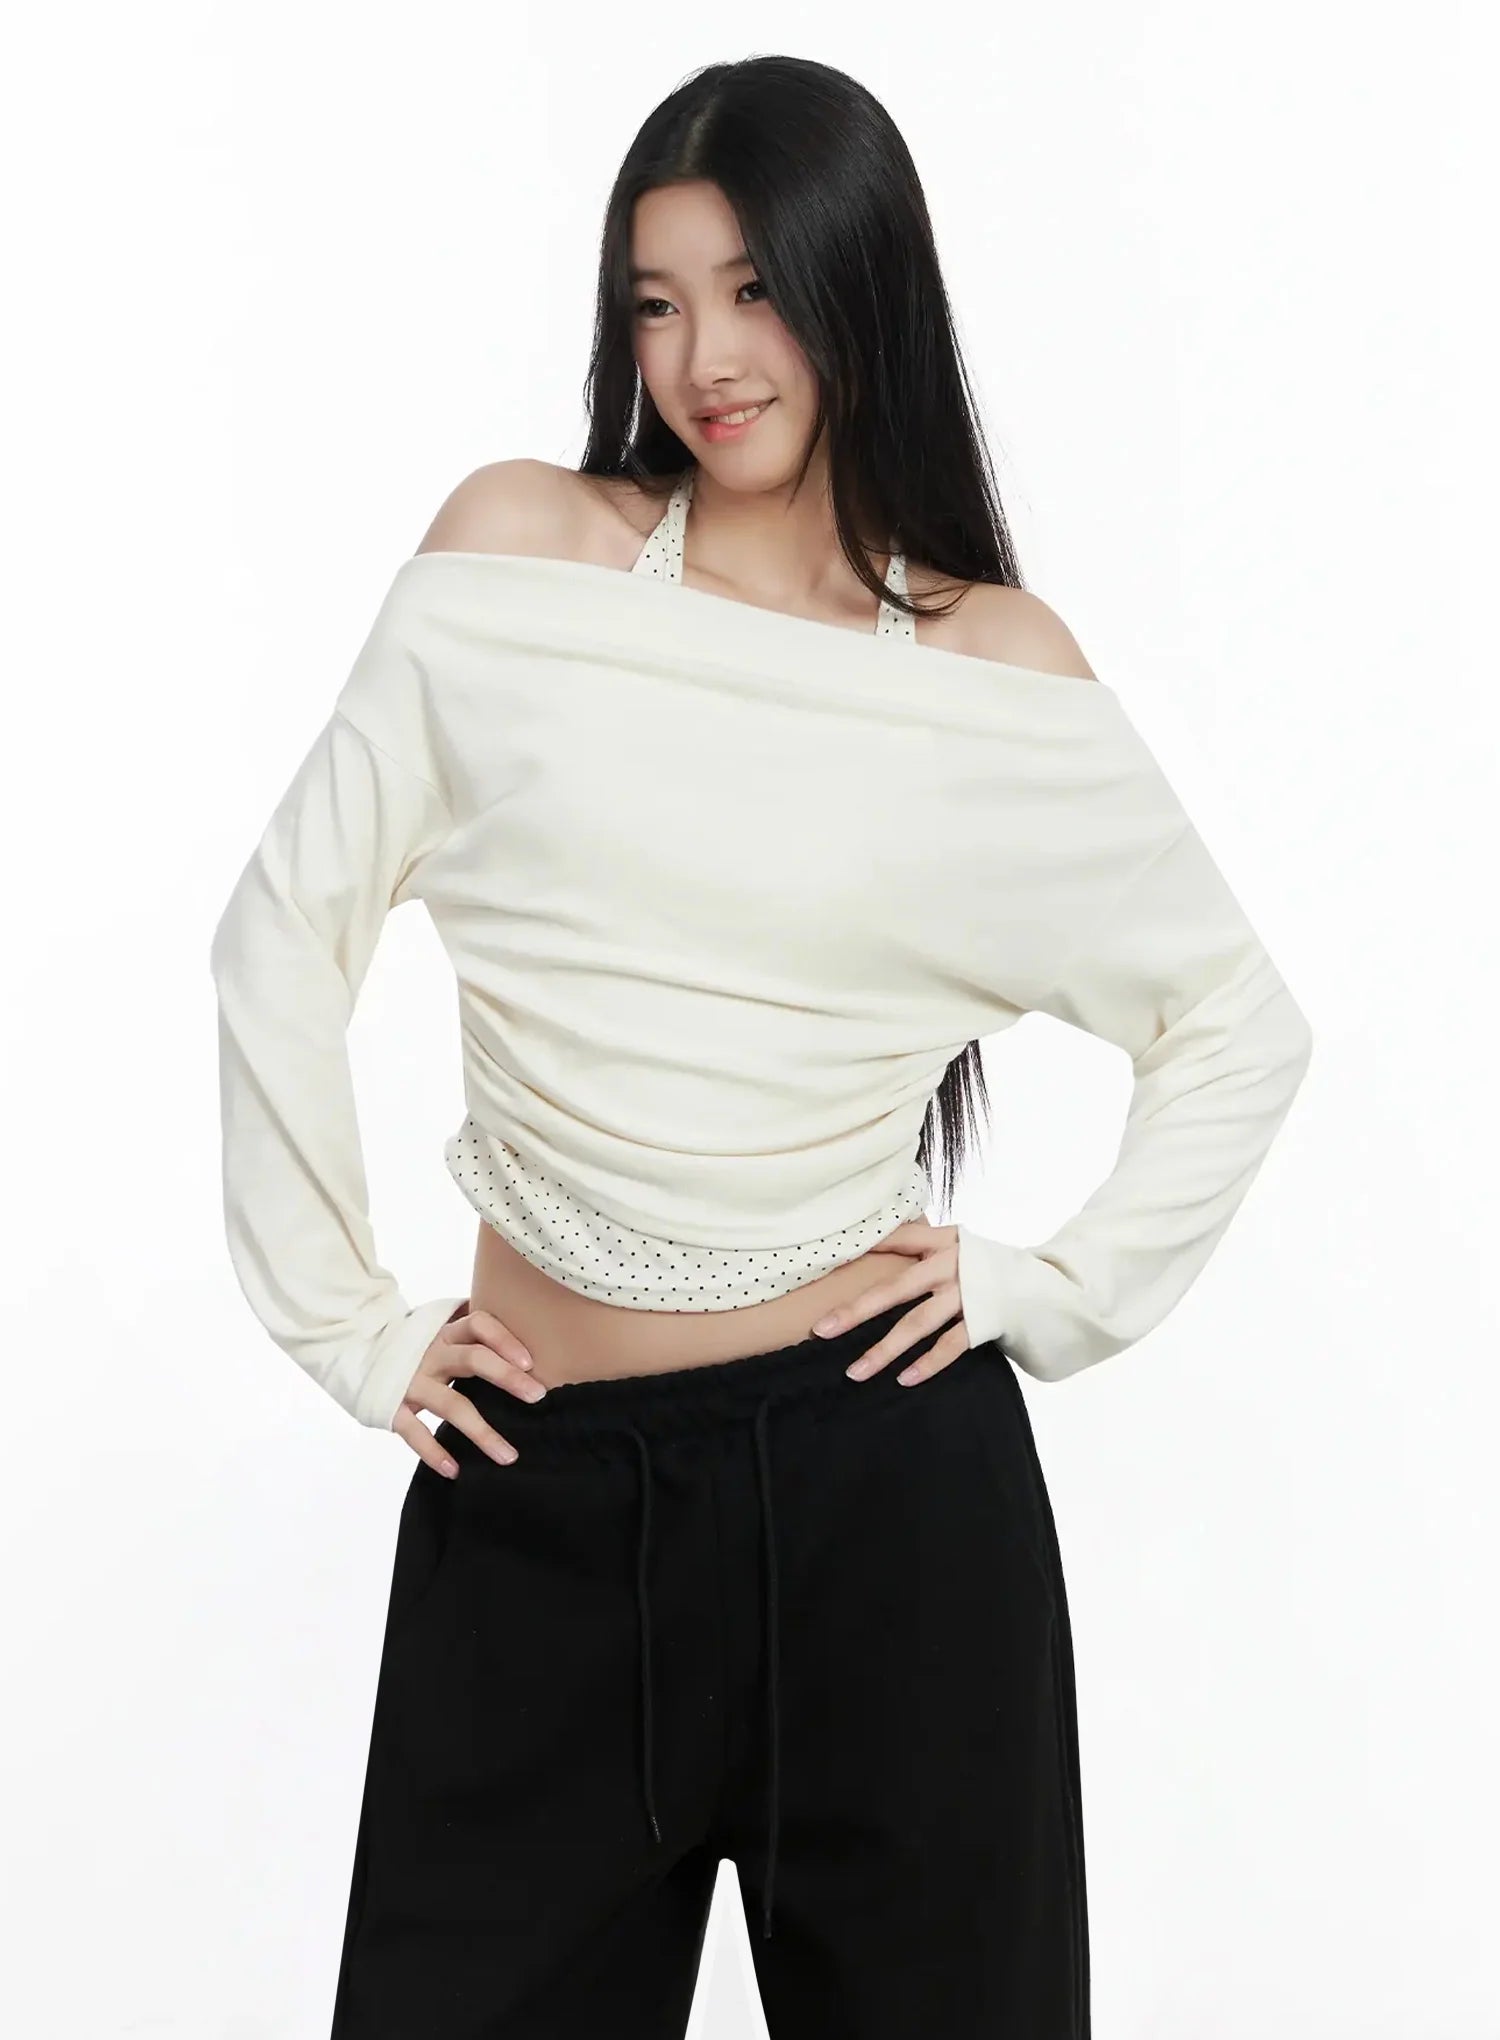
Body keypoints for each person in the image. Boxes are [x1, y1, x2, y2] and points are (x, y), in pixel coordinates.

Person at [208, 54, 1314, 2040]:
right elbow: (281, 931)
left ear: (858, 288)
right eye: (657, 301)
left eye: (755, 290)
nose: (705, 357)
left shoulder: (990, 672)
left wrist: (1047, 1291)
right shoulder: (514, 560)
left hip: (888, 1511)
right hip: (535, 1493)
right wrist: (353, 1328)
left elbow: (1235, 1022)